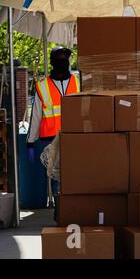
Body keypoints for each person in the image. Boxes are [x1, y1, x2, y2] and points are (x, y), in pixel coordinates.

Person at [27, 47, 80, 220]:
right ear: (52, 62)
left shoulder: (78, 82)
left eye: (65, 58)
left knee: (74, 173)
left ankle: (73, 208)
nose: (63, 61)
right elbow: (36, 115)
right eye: (59, 58)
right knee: (57, 176)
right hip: (51, 139)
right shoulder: (42, 86)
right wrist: (30, 141)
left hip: (76, 136)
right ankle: (61, 210)